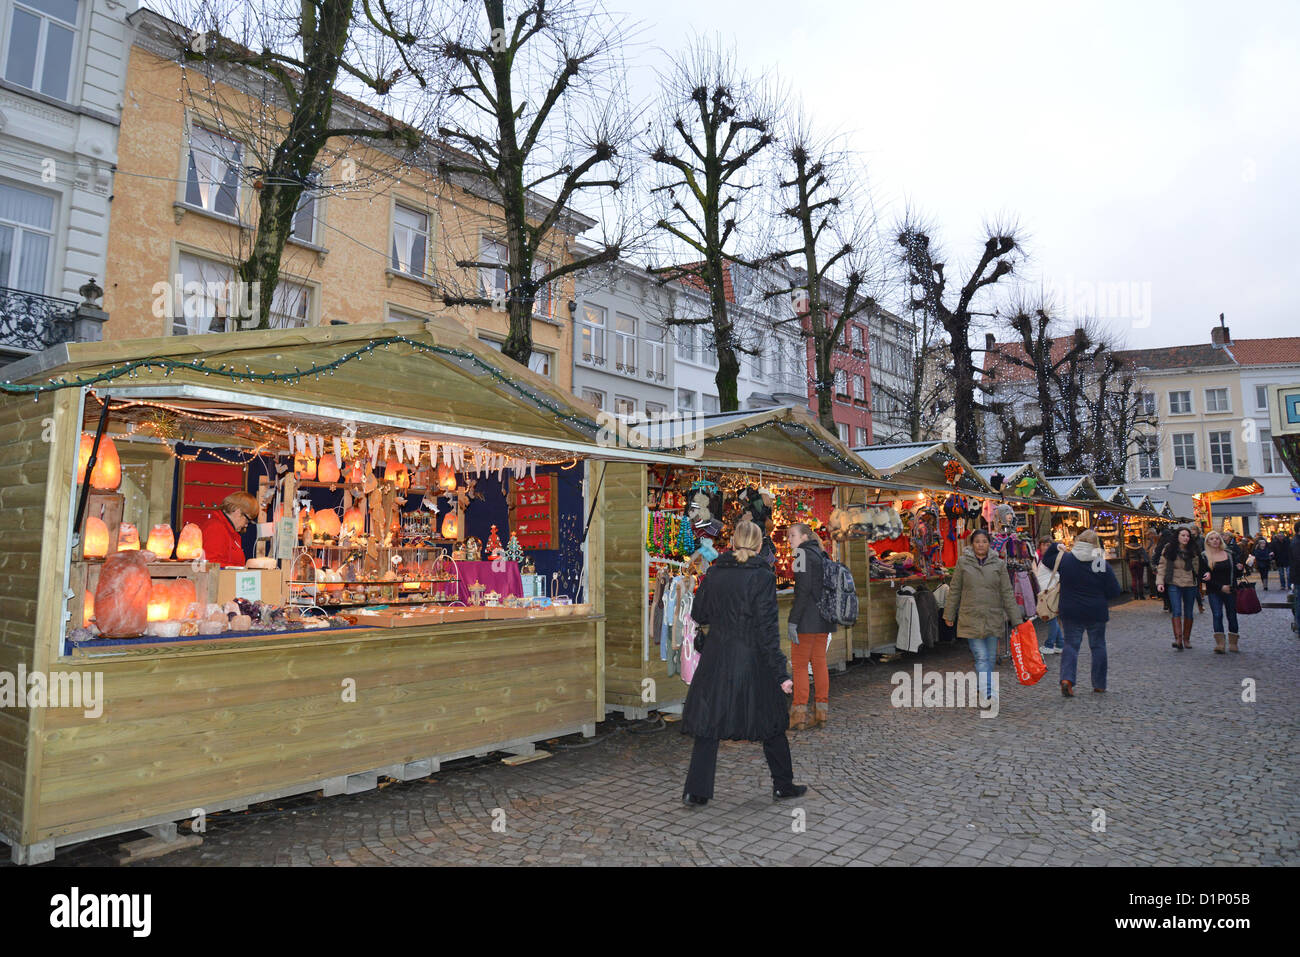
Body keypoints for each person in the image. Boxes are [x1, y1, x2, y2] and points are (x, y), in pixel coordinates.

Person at [681, 520, 806, 807]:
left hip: (718, 656)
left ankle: (695, 792)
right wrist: (780, 673)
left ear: (733, 543)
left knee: (708, 724)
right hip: (753, 659)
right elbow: (767, 630)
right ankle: (783, 785)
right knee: (771, 723)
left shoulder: (715, 573)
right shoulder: (762, 576)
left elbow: (699, 613)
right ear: (760, 545)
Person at [944, 529, 1023, 702]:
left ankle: (983, 689)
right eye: (977, 541)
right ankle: (988, 693)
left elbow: (1007, 592)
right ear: (972, 544)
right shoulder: (963, 563)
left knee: (990, 658)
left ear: (989, 544)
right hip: (970, 618)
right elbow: (955, 589)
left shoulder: (999, 564)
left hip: (993, 617)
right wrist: (949, 614)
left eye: (984, 541)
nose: (981, 544)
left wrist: (1017, 619)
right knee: (981, 656)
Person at [1041, 529, 1120, 695]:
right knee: (1098, 646)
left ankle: (1067, 679)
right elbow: (1114, 590)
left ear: (1078, 542)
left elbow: (1047, 559)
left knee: (1071, 645)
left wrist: (1056, 545)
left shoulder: (1067, 560)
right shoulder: (1100, 563)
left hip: (1071, 609)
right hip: (1096, 611)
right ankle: (1099, 684)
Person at [786, 522, 834, 730]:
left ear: (804, 537)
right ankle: (821, 712)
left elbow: (802, 591)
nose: (789, 540)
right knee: (819, 663)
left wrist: (793, 620)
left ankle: (798, 714)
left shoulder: (801, 555)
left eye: (793, 536)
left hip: (806, 620)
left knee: (799, 666)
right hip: (824, 618)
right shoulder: (822, 554)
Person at [1156, 527, 1205, 650]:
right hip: (1174, 582)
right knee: (1176, 611)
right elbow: (1162, 565)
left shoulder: (1193, 549)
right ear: (1177, 536)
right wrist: (1159, 582)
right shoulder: (1169, 548)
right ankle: (1178, 639)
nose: (1185, 538)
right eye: (1183, 535)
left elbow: (1200, 566)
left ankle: (1186, 639)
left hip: (1190, 583)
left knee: (1188, 612)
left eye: (1187, 536)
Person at [1202, 531, 1241, 654]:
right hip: (1214, 590)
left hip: (1230, 589)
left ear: (1221, 540)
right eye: (1211, 539)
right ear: (1207, 541)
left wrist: (1240, 569)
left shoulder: (1229, 554)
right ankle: (1220, 643)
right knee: (1217, 615)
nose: (1215, 541)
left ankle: (1233, 642)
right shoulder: (1204, 556)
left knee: (1232, 615)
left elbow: (1235, 574)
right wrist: (1220, 587)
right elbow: (1203, 576)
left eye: (1217, 538)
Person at [196, 490, 257, 567]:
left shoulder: (228, 531)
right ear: (238, 512)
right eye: (247, 520)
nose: (246, 525)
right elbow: (211, 564)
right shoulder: (216, 528)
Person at [1036, 536, 1065, 655]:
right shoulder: (1043, 558)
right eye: (1043, 544)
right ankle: (1060, 644)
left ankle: (1049, 644)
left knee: (1050, 618)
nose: (1045, 547)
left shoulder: (1050, 560)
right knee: (1052, 618)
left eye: (1048, 545)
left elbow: (1058, 574)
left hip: (1049, 592)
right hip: (1045, 592)